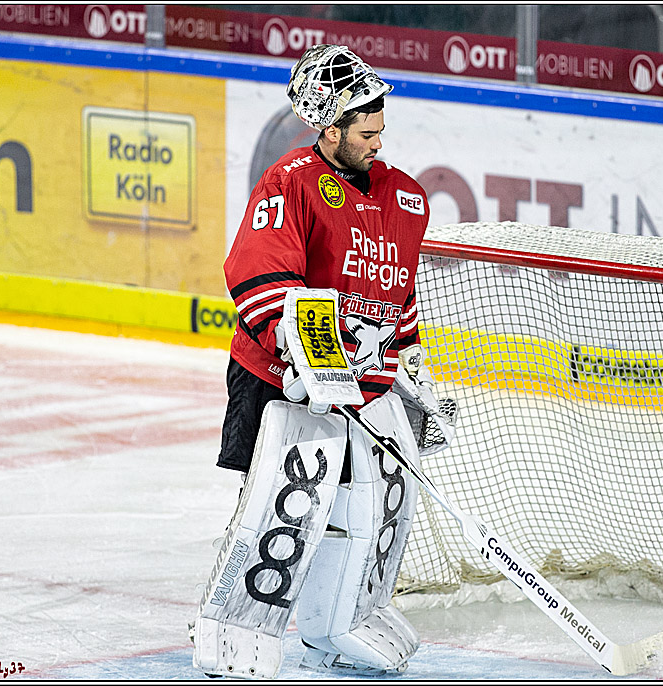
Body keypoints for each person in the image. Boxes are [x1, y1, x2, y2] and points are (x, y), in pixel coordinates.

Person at [189, 44, 449, 679]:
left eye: (382, 128)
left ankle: (346, 618)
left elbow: (399, 296)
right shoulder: (289, 183)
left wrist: (413, 371)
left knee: (380, 500)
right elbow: (258, 277)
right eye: (365, 131)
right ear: (328, 126)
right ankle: (236, 629)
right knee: (285, 503)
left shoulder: (406, 197)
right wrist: (308, 359)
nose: (377, 141)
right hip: (283, 380)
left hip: (366, 383)